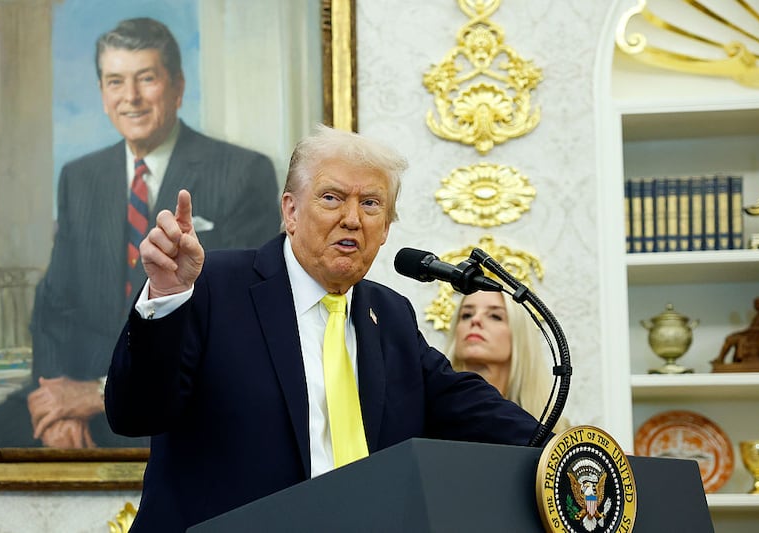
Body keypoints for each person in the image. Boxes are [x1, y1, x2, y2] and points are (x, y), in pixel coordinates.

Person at [105, 124, 547, 532]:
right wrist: (167, 297)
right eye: (332, 198)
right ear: (291, 211)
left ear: (386, 228)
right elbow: (134, 413)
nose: (352, 218)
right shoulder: (211, 286)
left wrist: (563, 452)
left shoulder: (390, 315)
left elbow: (468, 407)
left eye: (370, 203)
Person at [0, 17, 280, 449]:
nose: (130, 97)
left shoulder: (243, 173)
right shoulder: (80, 177)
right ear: (102, 93)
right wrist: (56, 402)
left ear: (177, 87)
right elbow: (53, 307)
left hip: (175, 398)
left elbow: (236, 318)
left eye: (146, 78)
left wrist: (96, 395)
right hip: (71, 392)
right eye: (115, 82)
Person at [447, 290, 570, 433]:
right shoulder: (429, 415)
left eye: (495, 316)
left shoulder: (557, 432)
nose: (475, 320)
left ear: (519, 335)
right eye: (466, 315)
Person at [712, 296, 759, 365]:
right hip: (750, 335)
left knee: (730, 339)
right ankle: (720, 359)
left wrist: (750, 330)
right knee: (730, 338)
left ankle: (720, 359)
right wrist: (744, 331)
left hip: (753, 337)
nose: (754, 306)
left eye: (755, 304)